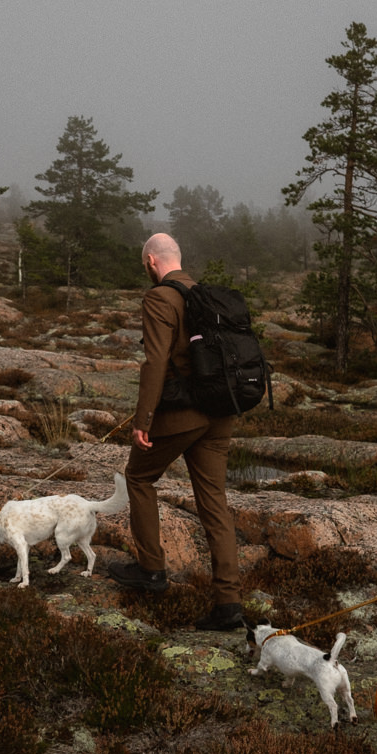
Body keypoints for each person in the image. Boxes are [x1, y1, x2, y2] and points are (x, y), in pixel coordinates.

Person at [107, 233, 245, 631]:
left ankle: (151, 570)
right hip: (220, 415)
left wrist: (142, 420)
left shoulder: (159, 298)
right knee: (214, 504)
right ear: (178, 259)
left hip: (182, 415)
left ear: (151, 261)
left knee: (139, 476)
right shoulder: (206, 296)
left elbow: (155, 362)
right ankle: (228, 604)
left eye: (145, 263)